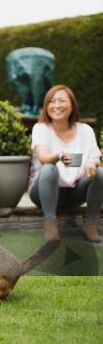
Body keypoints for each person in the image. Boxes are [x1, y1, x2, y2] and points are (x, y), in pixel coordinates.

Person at [29, 85, 102, 242]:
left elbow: (95, 157)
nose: (56, 105)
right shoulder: (40, 128)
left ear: (72, 105)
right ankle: (50, 222)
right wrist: (59, 156)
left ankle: (90, 224)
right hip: (43, 192)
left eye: (62, 101)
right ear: (46, 106)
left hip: (74, 192)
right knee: (49, 168)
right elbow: (43, 158)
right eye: (52, 101)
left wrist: (91, 161)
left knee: (101, 173)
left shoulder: (86, 130)